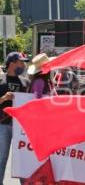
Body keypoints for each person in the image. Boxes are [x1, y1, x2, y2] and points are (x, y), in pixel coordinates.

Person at [0, 52, 29, 185]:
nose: (23, 65)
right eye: (21, 62)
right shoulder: (1, 81)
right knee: (1, 158)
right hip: (3, 125)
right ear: (12, 64)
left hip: (21, 127)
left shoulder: (25, 82)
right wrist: (4, 98)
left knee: (23, 160)